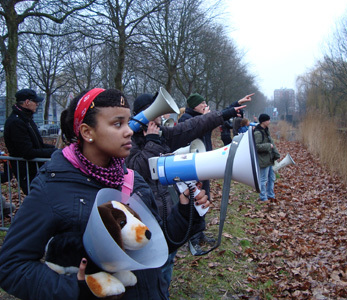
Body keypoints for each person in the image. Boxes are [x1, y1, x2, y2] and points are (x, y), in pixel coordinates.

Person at [0, 88, 210, 300]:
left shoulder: (133, 179)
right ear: (87, 132)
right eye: (117, 124)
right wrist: (81, 290)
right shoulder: (53, 185)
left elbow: (152, 245)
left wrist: (185, 212)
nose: (129, 131)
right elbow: (12, 267)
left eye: (128, 122)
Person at [125, 92, 245, 294]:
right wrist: (153, 141)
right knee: (152, 272)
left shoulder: (161, 134)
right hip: (143, 215)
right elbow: (138, 167)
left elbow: (193, 126)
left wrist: (228, 111)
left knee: (167, 265)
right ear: (143, 115)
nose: (161, 117)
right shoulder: (128, 140)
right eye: (157, 113)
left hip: (166, 213)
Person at [179, 92, 254, 254]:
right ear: (194, 106)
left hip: (204, 163)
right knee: (194, 201)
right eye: (202, 103)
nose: (206, 105)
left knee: (205, 198)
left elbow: (221, 114)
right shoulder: (185, 120)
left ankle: (199, 234)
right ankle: (192, 239)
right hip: (191, 166)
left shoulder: (203, 116)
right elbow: (192, 131)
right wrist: (204, 118)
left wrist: (237, 102)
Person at [4, 89, 56, 194]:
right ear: (27, 102)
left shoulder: (27, 119)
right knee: (38, 199)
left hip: (35, 169)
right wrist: (53, 152)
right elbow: (27, 151)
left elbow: (38, 145)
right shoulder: (16, 122)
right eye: (35, 102)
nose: (37, 104)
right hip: (26, 171)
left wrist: (56, 150)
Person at [254, 113, 280, 202]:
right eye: (268, 120)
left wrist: (276, 154)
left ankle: (270, 195)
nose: (269, 121)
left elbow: (271, 142)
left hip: (269, 159)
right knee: (263, 179)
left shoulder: (266, 130)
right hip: (263, 159)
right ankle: (263, 197)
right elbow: (256, 146)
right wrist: (268, 146)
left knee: (271, 178)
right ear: (263, 121)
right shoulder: (258, 132)